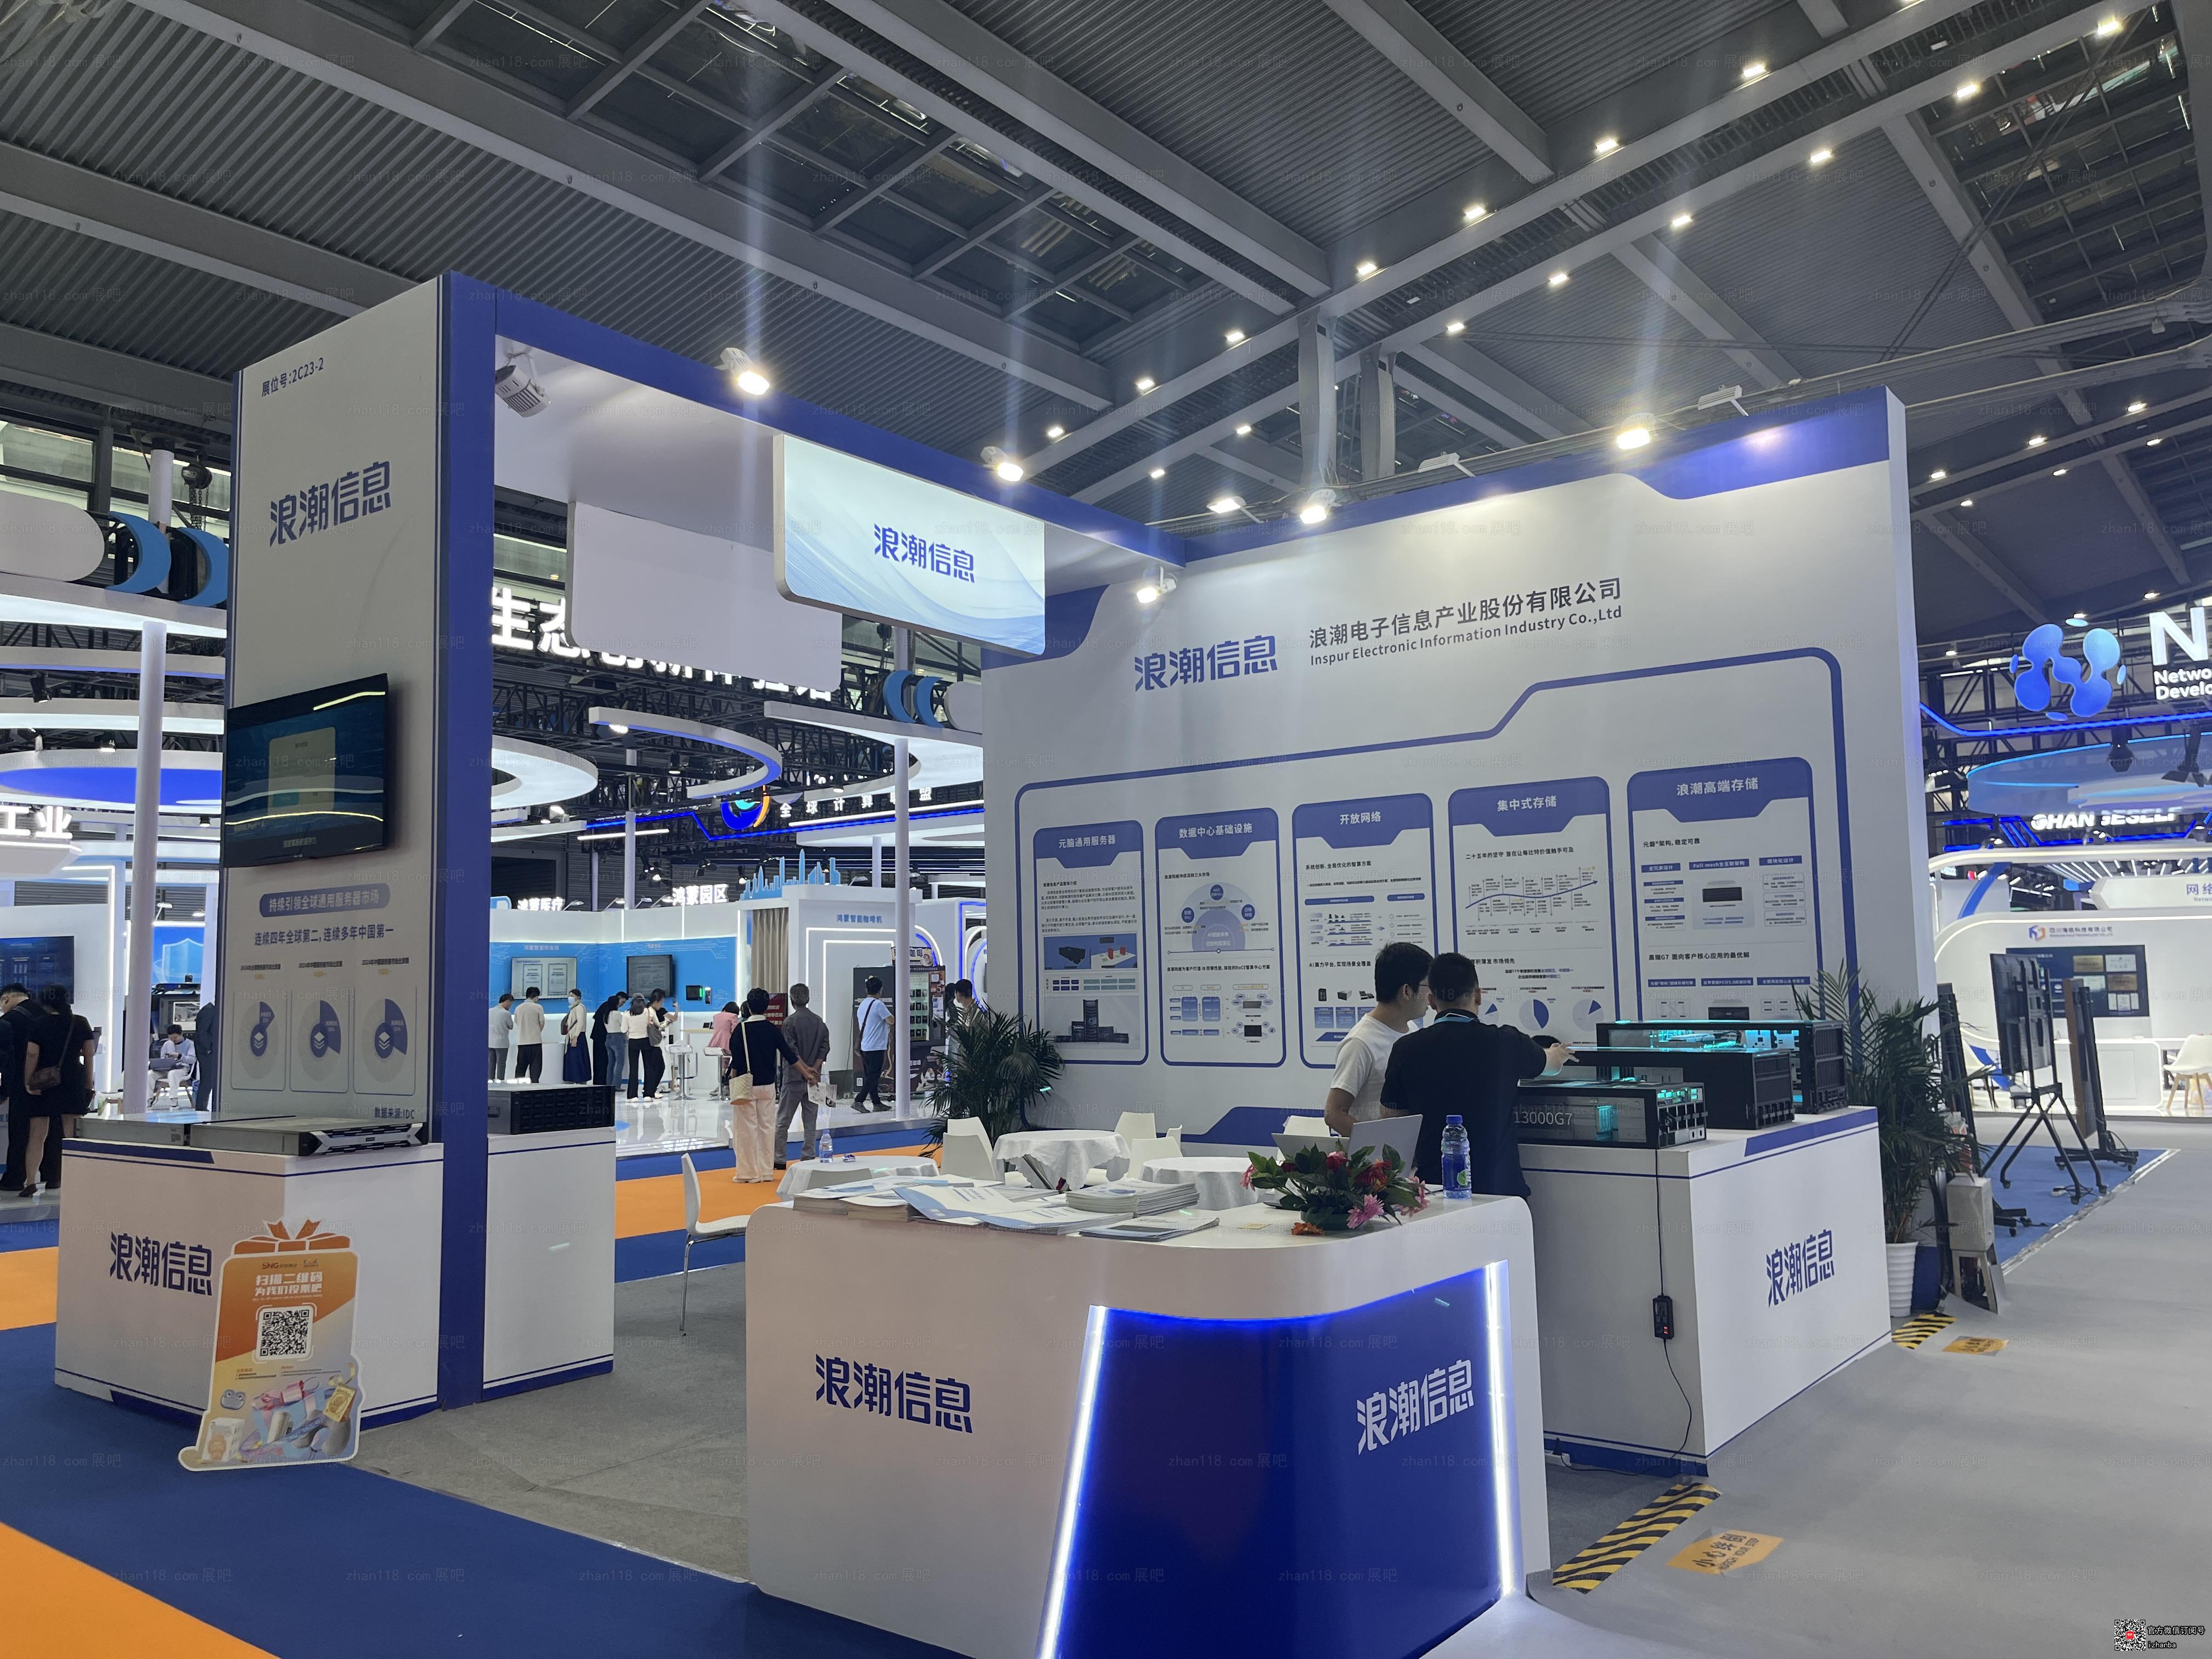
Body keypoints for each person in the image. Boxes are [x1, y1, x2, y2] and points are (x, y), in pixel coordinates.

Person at [1375, 952, 1571, 1192]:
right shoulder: (1506, 1042)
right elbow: (1551, 1066)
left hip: (1435, 1190)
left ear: (1432, 1001)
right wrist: (1557, 1053)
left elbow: (1392, 1118)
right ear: (1478, 995)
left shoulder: (1405, 1049)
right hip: (1499, 1192)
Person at [1322, 942, 1433, 1137]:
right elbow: (1334, 1114)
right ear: (1407, 991)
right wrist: (1381, 1147)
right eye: (1428, 986)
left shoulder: (1412, 1030)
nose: (1432, 995)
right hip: (1380, 1155)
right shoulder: (1360, 1042)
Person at [18, 983, 95, 1198]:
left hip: (45, 1082)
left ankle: (31, 1182)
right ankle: (76, 1179)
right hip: (72, 1081)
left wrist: (28, 1081)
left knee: (37, 1134)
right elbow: (89, 1055)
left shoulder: (38, 1023)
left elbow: (32, 1054)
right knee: (71, 1134)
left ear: (44, 1002)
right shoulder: (80, 1022)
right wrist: (88, 1082)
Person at [730, 987, 804, 1183]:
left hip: (747, 1084)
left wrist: (732, 1081)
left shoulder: (741, 1029)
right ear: (766, 1007)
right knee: (767, 1127)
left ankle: (748, 1173)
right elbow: (790, 1056)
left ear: (748, 1006)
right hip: (769, 1085)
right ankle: (766, 1171)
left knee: (746, 1129)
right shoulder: (772, 1029)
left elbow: (736, 1060)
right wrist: (807, 1073)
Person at [775, 983, 831, 1169]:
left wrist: (804, 1070)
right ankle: (808, 1156)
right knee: (811, 1120)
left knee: (783, 1121)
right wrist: (813, 1069)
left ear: (792, 1000)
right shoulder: (819, 1021)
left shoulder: (789, 1022)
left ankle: (780, 1159)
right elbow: (825, 1047)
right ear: (808, 999)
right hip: (815, 1079)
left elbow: (791, 1052)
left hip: (793, 1078)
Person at [0, 983, 45, 1192]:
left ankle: (14, 1178)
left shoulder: (8, 1021)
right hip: (47, 1084)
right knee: (43, 1134)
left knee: (19, 1132)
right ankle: (49, 1175)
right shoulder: (45, 1015)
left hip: (19, 1084)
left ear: (6, 999)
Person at [854, 975, 891, 1112]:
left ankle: (877, 1103)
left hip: (865, 1046)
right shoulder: (878, 1005)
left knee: (870, 1076)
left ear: (867, 989)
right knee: (874, 1076)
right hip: (876, 1046)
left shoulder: (863, 1004)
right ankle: (859, 1100)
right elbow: (891, 1021)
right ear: (880, 990)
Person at [641, 990, 672, 1099]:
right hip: (653, 1044)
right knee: (658, 1067)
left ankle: (650, 1090)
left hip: (648, 1043)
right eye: (661, 1002)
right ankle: (651, 1090)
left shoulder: (647, 1010)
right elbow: (658, 1027)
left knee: (653, 1068)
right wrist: (666, 1024)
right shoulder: (651, 1012)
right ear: (656, 1002)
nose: (662, 1005)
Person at [512, 987, 546, 1085]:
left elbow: (517, 1022)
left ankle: (518, 1086)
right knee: (536, 1066)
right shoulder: (538, 1007)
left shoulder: (518, 1008)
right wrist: (537, 1031)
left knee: (521, 1066)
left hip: (522, 1041)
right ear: (535, 996)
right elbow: (542, 1023)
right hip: (535, 1041)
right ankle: (534, 1086)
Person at [707, 1000, 741, 1094]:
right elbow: (735, 1031)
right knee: (737, 1059)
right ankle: (727, 1084)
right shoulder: (733, 1016)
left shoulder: (716, 1016)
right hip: (728, 1044)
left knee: (723, 1063)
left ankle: (721, 1085)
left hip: (715, 1044)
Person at [622, 994, 650, 1099]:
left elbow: (624, 1030)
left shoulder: (627, 1014)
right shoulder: (648, 1012)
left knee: (633, 1069)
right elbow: (655, 1024)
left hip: (633, 1041)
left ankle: (633, 1095)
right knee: (648, 1067)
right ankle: (648, 1094)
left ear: (632, 1002)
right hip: (646, 1040)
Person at [561, 989, 591, 1083]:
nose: (570, 998)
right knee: (575, 1060)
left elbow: (580, 1023)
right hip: (574, 1036)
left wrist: (575, 1037)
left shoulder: (579, 1008)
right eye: (569, 996)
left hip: (577, 1036)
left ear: (578, 997)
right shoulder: (574, 1008)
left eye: (572, 996)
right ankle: (576, 1080)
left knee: (577, 1060)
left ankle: (580, 1080)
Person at [605, 995, 633, 1097]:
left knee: (611, 1064)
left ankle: (609, 1084)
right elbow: (625, 1026)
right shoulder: (617, 1014)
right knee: (620, 1063)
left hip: (608, 1038)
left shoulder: (606, 1014)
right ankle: (616, 1085)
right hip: (617, 1038)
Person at [591, 992, 621, 1086]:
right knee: (607, 1061)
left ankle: (599, 1081)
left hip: (599, 1036)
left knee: (601, 1061)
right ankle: (606, 1082)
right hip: (604, 1036)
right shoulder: (614, 1013)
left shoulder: (604, 1008)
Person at [191, 1001, 217, 1111]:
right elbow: (202, 1032)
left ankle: (202, 1107)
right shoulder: (209, 1011)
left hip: (207, 1051)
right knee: (207, 1080)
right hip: (206, 1052)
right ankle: (201, 1108)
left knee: (208, 1080)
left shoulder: (211, 1010)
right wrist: (209, 1048)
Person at [487, 992, 514, 1081]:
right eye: (510, 1004)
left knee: (491, 1064)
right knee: (501, 1064)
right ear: (507, 1002)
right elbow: (511, 1027)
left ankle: (490, 1080)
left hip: (490, 1042)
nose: (510, 1006)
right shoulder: (506, 1013)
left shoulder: (490, 1011)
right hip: (502, 1043)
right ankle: (500, 1082)